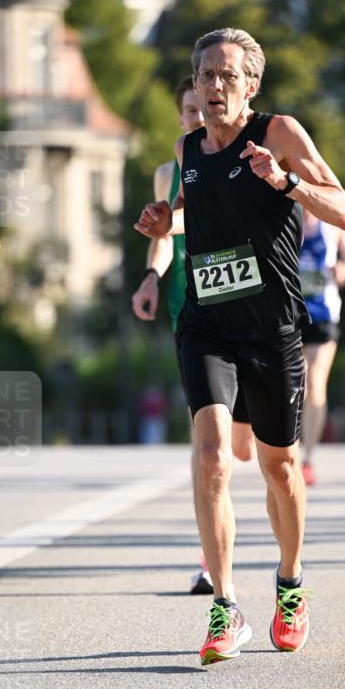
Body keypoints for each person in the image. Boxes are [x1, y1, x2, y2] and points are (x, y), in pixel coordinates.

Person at [135, 27, 345, 665]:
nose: (215, 86)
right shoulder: (186, 147)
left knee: (279, 466)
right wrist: (165, 222)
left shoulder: (279, 132)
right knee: (210, 456)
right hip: (206, 324)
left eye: (228, 75)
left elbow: (342, 210)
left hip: (272, 326)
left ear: (251, 85)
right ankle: (225, 605)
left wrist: (286, 182)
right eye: (205, 75)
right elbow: (193, 210)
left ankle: (290, 584)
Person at [131, 75, 255, 595]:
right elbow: (164, 232)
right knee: (208, 442)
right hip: (191, 303)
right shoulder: (169, 170)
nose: (195, 116)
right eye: (187, 110)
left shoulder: (241, 155)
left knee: (243, 447)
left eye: (200, 108)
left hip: (246, 303)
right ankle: (212, 557)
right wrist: (151, 276)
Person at [299, 208, 345, 486]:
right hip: (288, 315)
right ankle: (288, 449)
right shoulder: (283, 213)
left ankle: (307, 458)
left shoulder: (331, 223)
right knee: (293, 384)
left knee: (315, 383)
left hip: (323, 315)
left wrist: (344, 270)